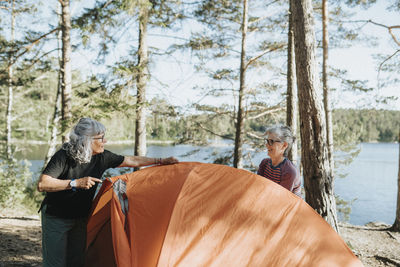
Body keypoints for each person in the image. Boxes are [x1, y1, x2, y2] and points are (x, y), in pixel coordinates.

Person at [37, 117, 179, 267]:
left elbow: (131, 160)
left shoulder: (102, 157)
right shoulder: (64, 155)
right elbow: (43, 184)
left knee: (77, 261)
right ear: (87, 140)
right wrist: (75, 183)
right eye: (101, 138)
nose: (105, 141)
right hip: (56, 217)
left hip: (80, 217)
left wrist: (161, 160)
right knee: (55, 263)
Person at [257, 125, 301, 197]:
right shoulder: (264, 163)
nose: (267, 145)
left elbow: (280, 199)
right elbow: (257, 188)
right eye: (267, 141)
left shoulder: (290, 171)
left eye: (271, 141)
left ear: (284, 145)